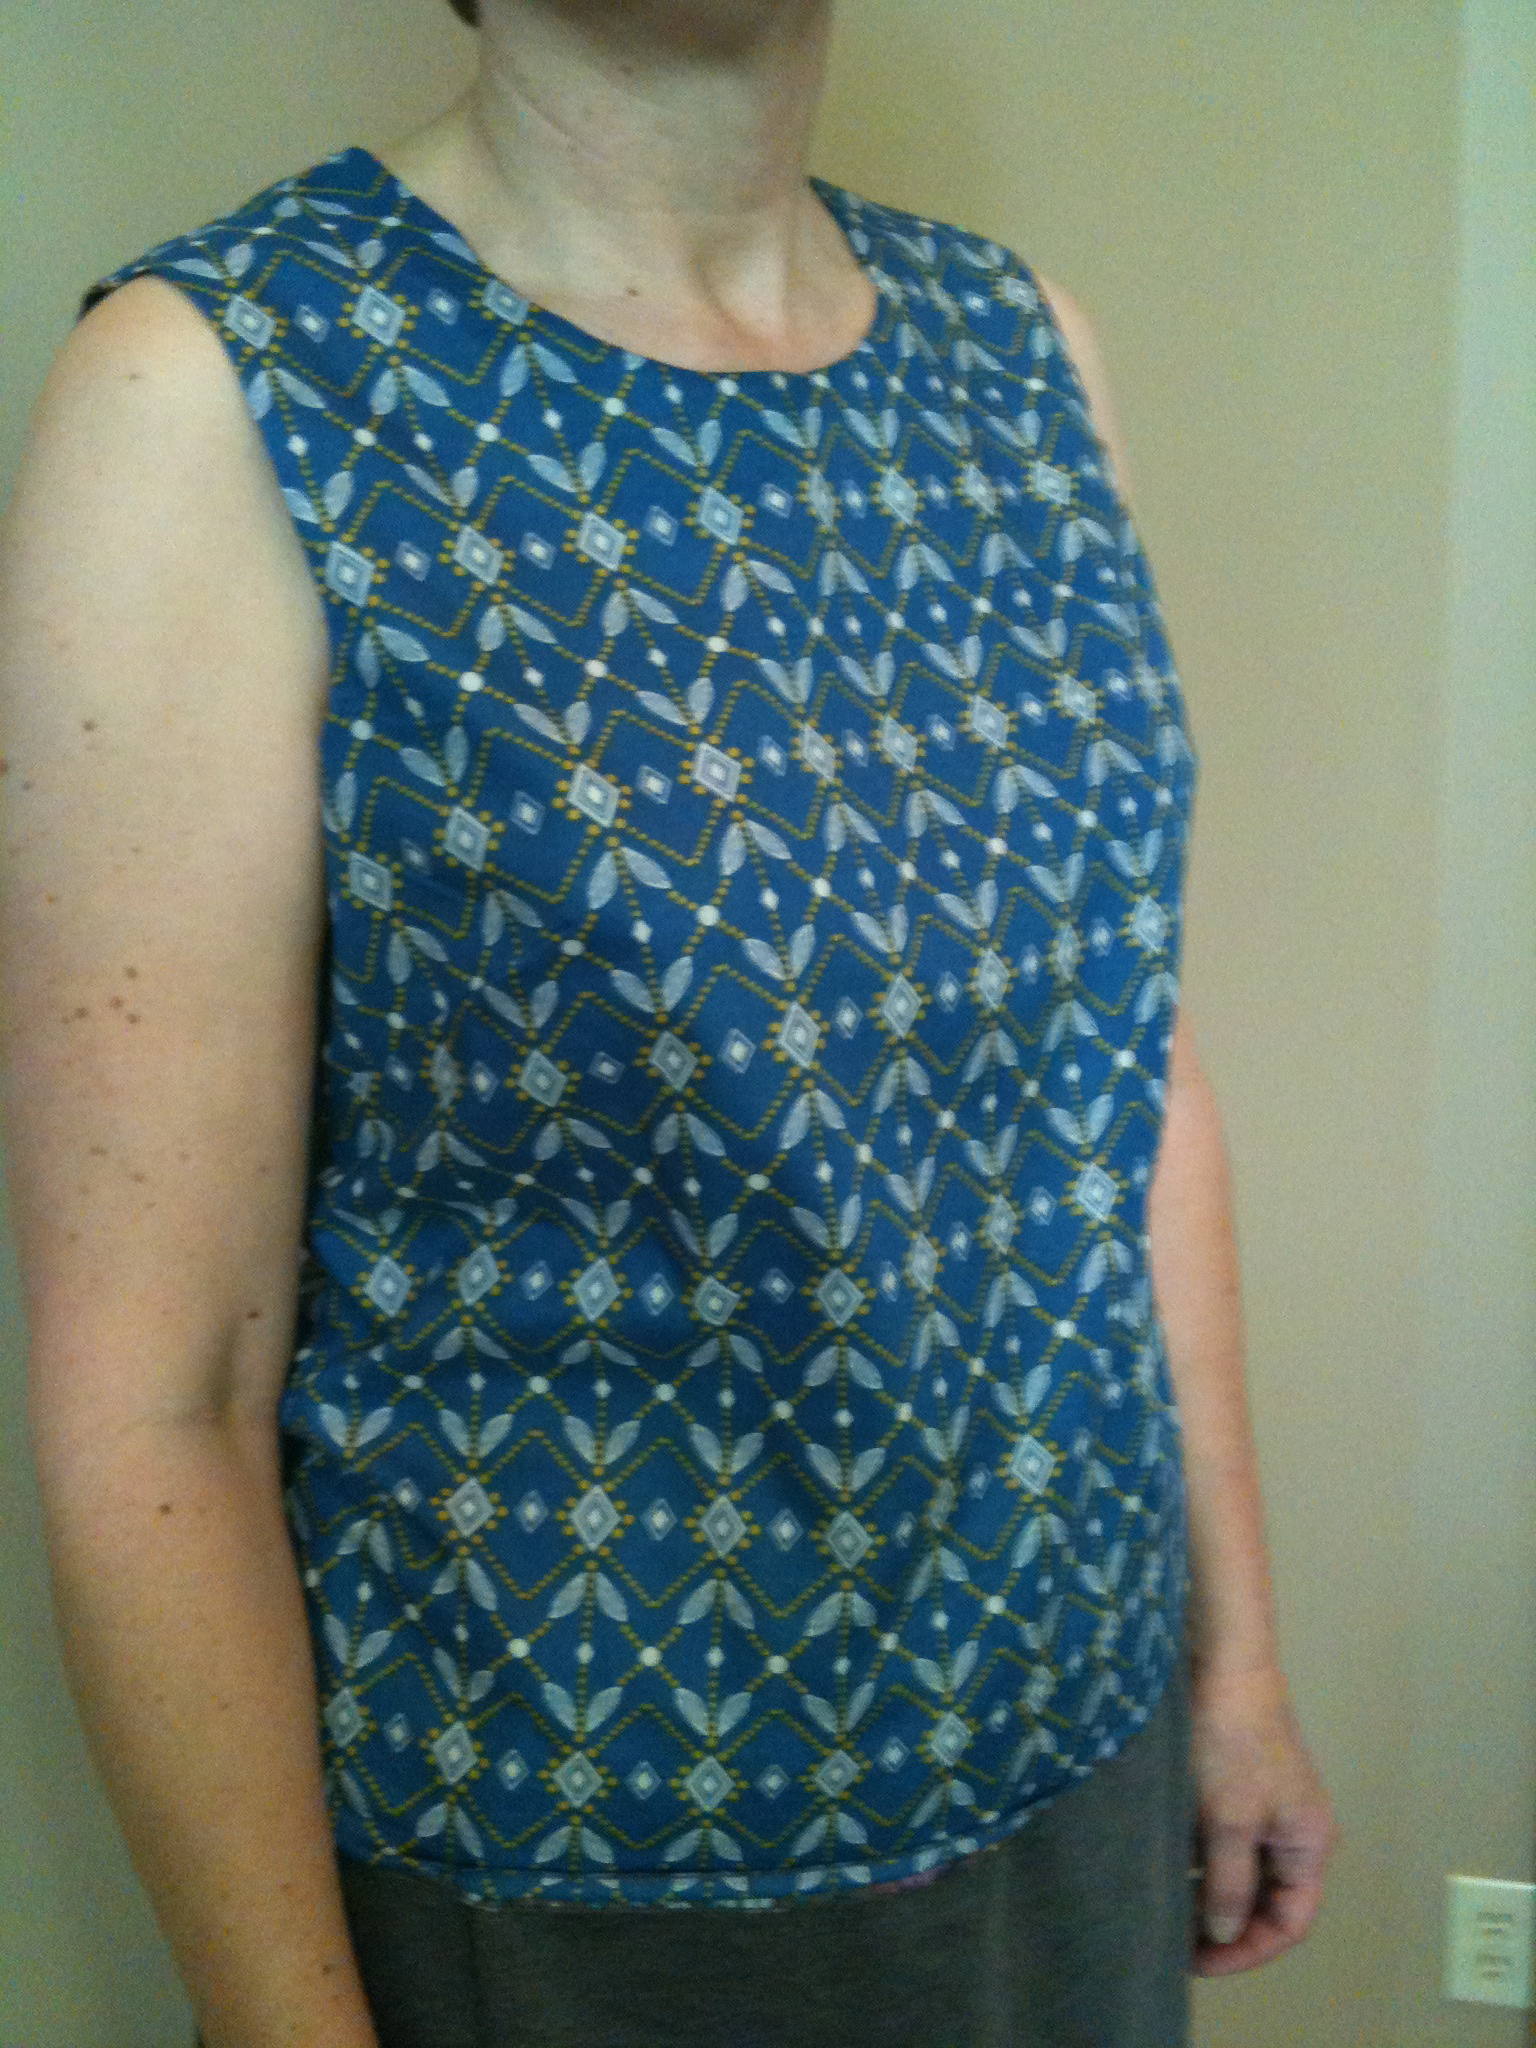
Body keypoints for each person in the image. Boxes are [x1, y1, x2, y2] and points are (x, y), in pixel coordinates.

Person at [0, 1, 1335, 2043]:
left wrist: (1232, 1664)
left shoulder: (1019, 347)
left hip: (1077, 1746)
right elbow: (163, 1382)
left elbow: (1119, 1084)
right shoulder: (224, 388)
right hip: (591, 1871)